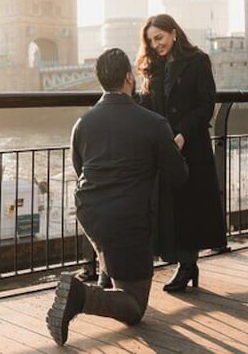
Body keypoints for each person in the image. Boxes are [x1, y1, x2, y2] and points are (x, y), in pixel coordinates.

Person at [45, 48, 188, 346]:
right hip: (128, 219)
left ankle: (103, 278)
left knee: (108, 245)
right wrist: (173, 149)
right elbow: (178, 175)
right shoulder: (153, 123)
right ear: (128, 77)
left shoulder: (82, 123)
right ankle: (79, 295)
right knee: (135, 307)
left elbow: (80, 167)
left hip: (89, 211)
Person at [136, 13, 228, 293]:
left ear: (174, 33)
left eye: (159, 38)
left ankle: (187, 266)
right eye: (151, 41)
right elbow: (148, 105)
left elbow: (206, 104)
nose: (155, 45)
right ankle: (182, 263)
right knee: (169, 208)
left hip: (191, 146)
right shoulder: (154, 67)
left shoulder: (197, 61)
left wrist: (183, 133)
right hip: (165, 147)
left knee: (189, 208)